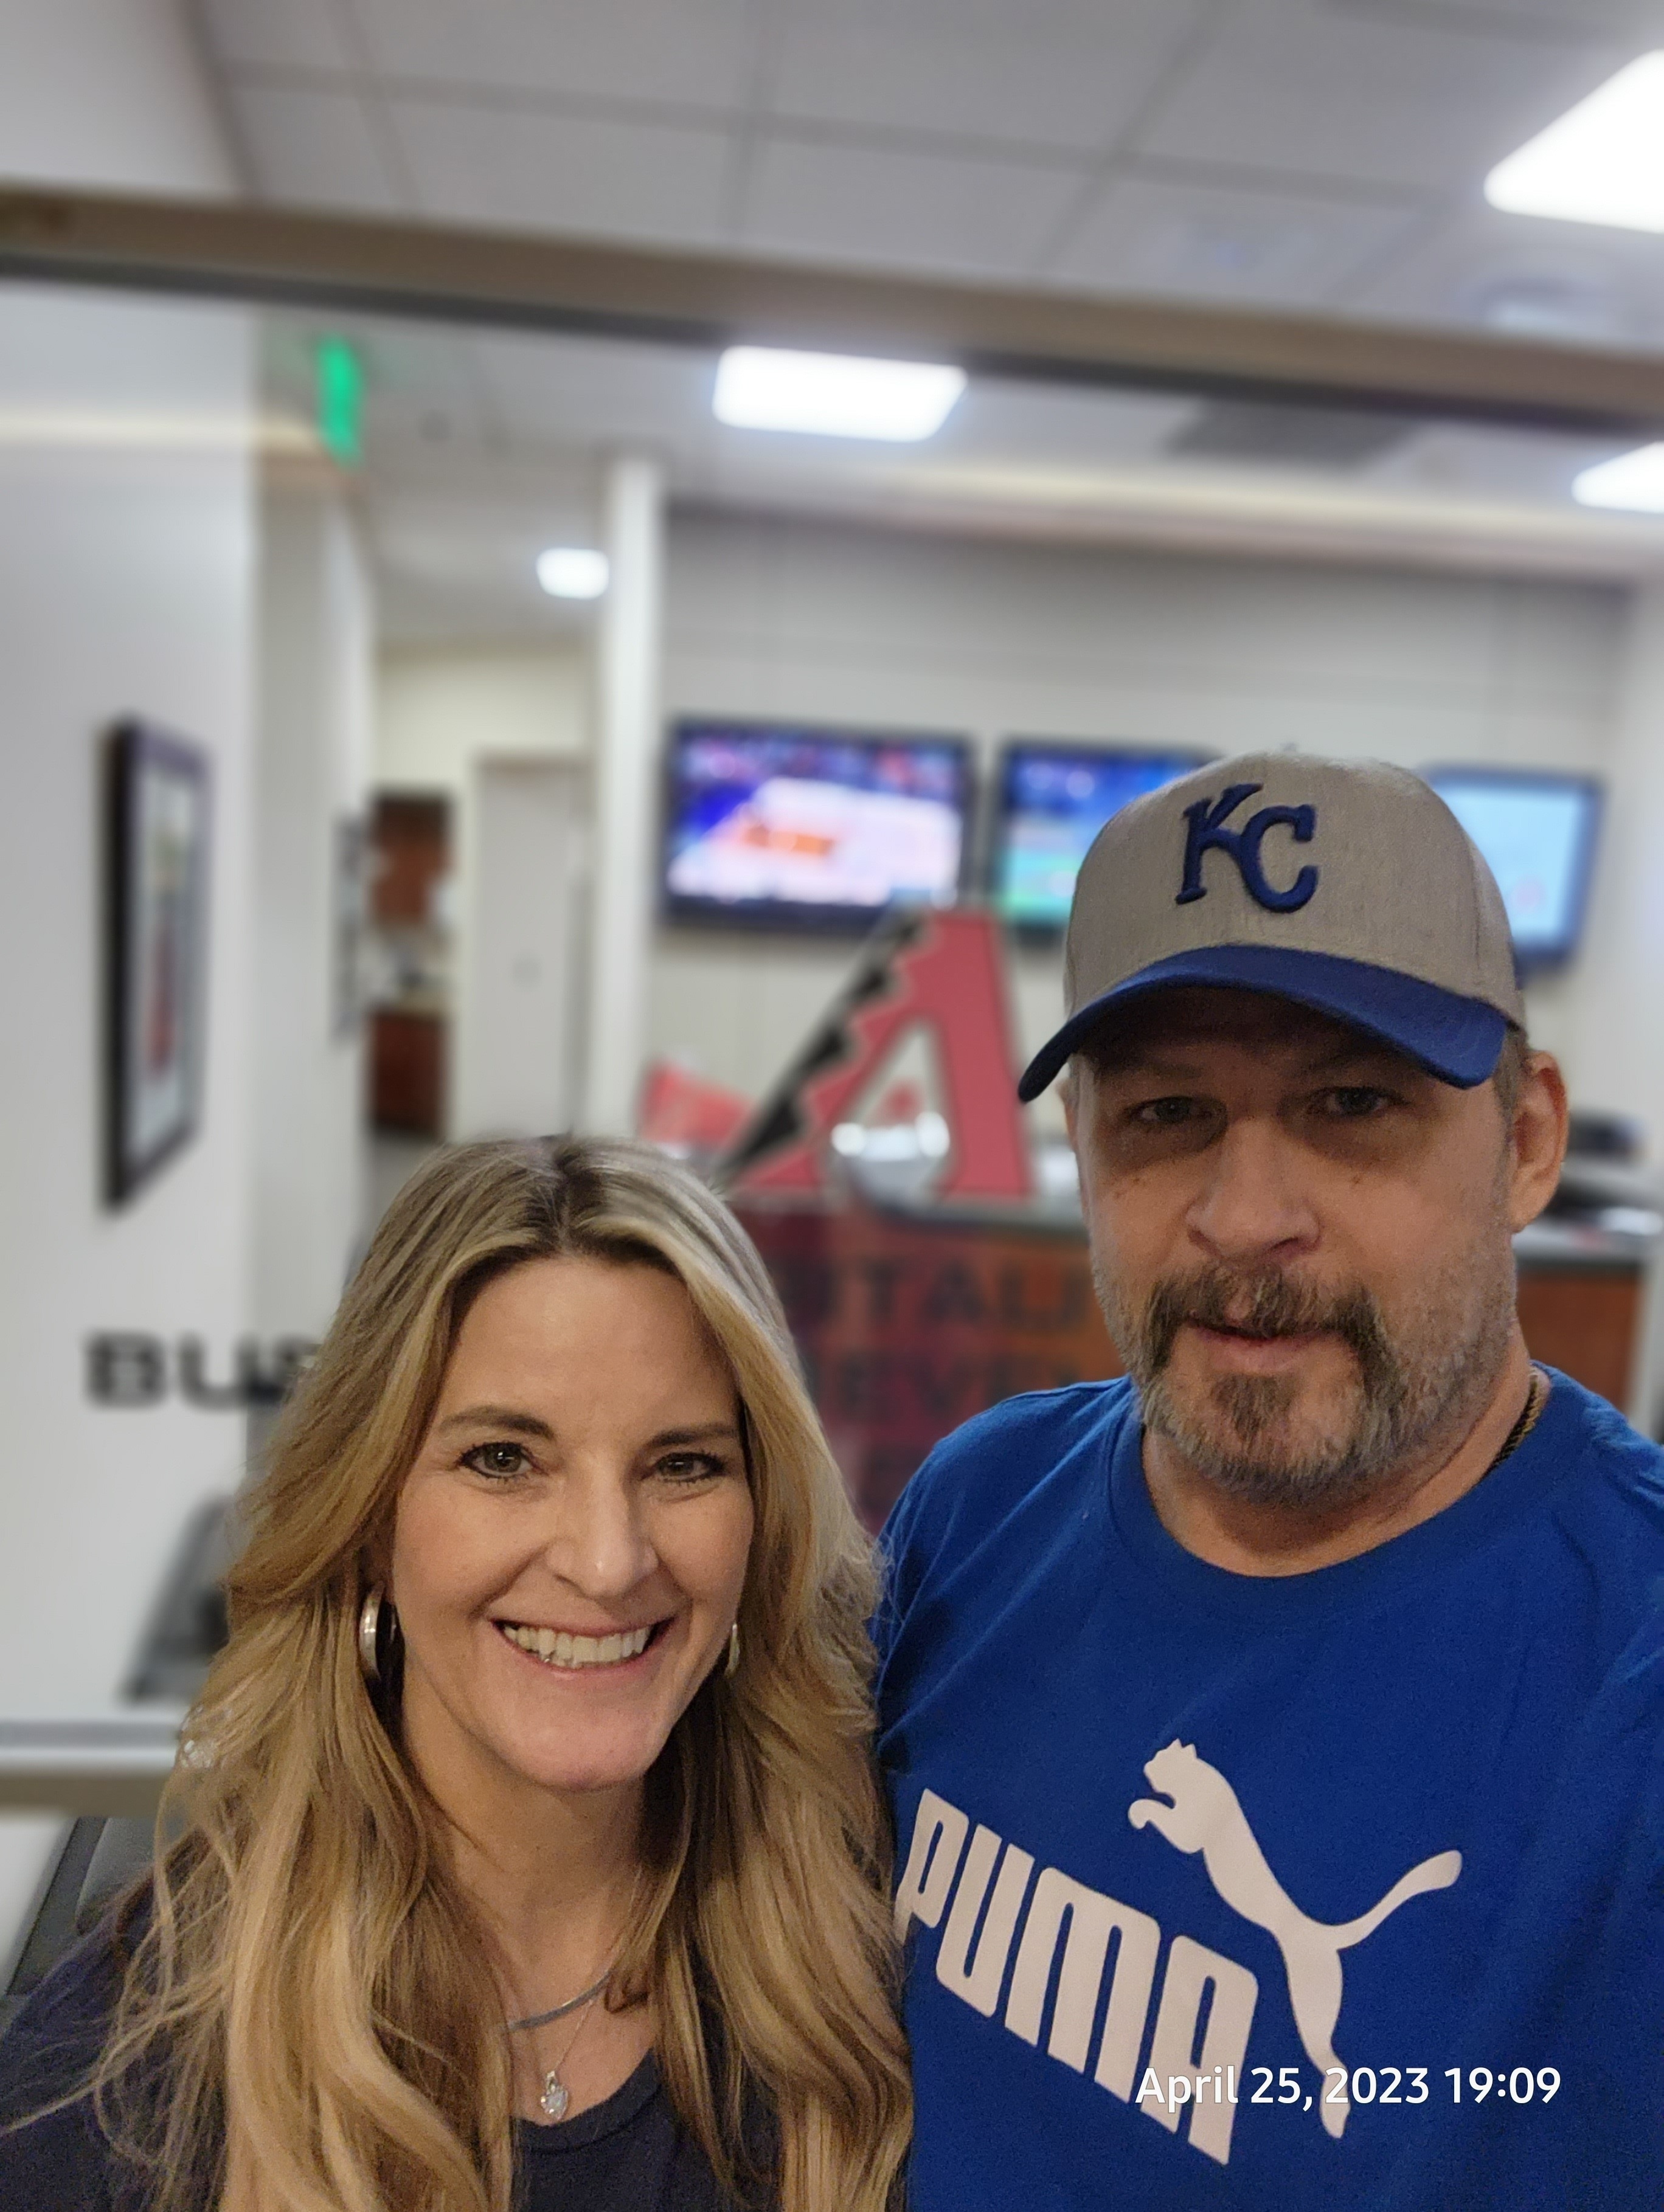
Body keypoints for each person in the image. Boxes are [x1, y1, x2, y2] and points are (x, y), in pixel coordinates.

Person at [875, 753, 1664, 2211]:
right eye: (1167, 1113)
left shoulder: (1632, 1689)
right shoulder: (975, 1510)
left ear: (1528, 1141)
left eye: (1351, 1102)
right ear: (1083, 1146)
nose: (1246, 1218)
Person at [0, 1137, 909, 2211]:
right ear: (371, 1518)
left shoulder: (863, 1962)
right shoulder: (118, 2075)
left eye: (683, 1463)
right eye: (504, 1459)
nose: (609, 1561)